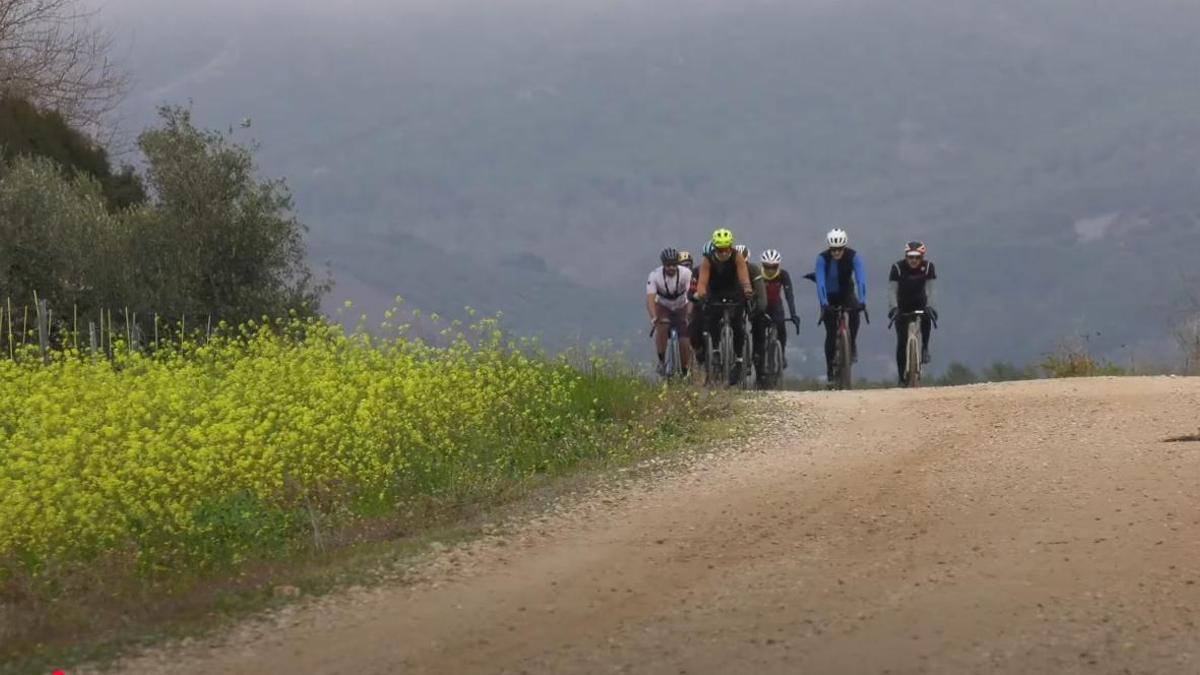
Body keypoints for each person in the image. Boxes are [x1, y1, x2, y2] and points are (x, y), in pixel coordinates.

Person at [695, 228, 754, 382]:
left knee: (738, 325)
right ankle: (715, 349)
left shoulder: (737, 256)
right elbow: (702, 280)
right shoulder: (708, 259)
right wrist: (700, 292)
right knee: (712, 319)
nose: (723, 253)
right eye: (720, 250)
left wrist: (747, 288)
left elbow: (743, 275)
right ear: (715, 248)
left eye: (726, 249)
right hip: (716, 292)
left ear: (731, 247)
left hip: (734, 291)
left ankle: (740, 359)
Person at [815, 228, 867, 381]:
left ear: (844, 247)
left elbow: (861, 279)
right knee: (830, 333)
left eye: (839, 249)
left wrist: (863, 301)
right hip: (828, 296)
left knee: (855, 313)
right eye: (833, 250)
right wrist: (824, 304)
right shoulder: (822, 258)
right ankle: (830, 371)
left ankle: (853, 344)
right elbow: (820, 283)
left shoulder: (853, 256)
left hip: (846, 292)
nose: (836, 253)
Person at [888, 241, 938, 385]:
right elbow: (892, 290)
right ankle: (901, 377)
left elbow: (931, 289)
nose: (914, 260)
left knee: (927, 318)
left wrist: (931, 306)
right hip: (902, 305)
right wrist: (893, 308)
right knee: (901, 342)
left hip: (921, 303)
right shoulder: (897, 268)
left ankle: (925, 348)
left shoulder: (928, 267)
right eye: (910, 257)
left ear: (922, 257)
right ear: (906, 256)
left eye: (917, 257)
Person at [752, 249, 800, 380]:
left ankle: (781, 354)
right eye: (767, 267)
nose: (770, 270)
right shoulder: (757, 275)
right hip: (761, 307)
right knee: (759, 336)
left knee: (781, 328)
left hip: (776, 307)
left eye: (774, 267)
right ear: (763, 266)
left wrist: (793, 314)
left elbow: (789, 295)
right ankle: (759, 364)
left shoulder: (783, 275)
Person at [646, 247, 693, 375]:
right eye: (668, 265)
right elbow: (650, 298)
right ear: (663, 264)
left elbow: (691, 295)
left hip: (681, 304)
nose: (671, 268)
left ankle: (685, 369)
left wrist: (689, 314)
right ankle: (661, 361)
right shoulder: (654, 275)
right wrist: (654, 317)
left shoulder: (686, 273)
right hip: (663, 305)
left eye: (674, 265)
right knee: (662, 326)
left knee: (684, 337)